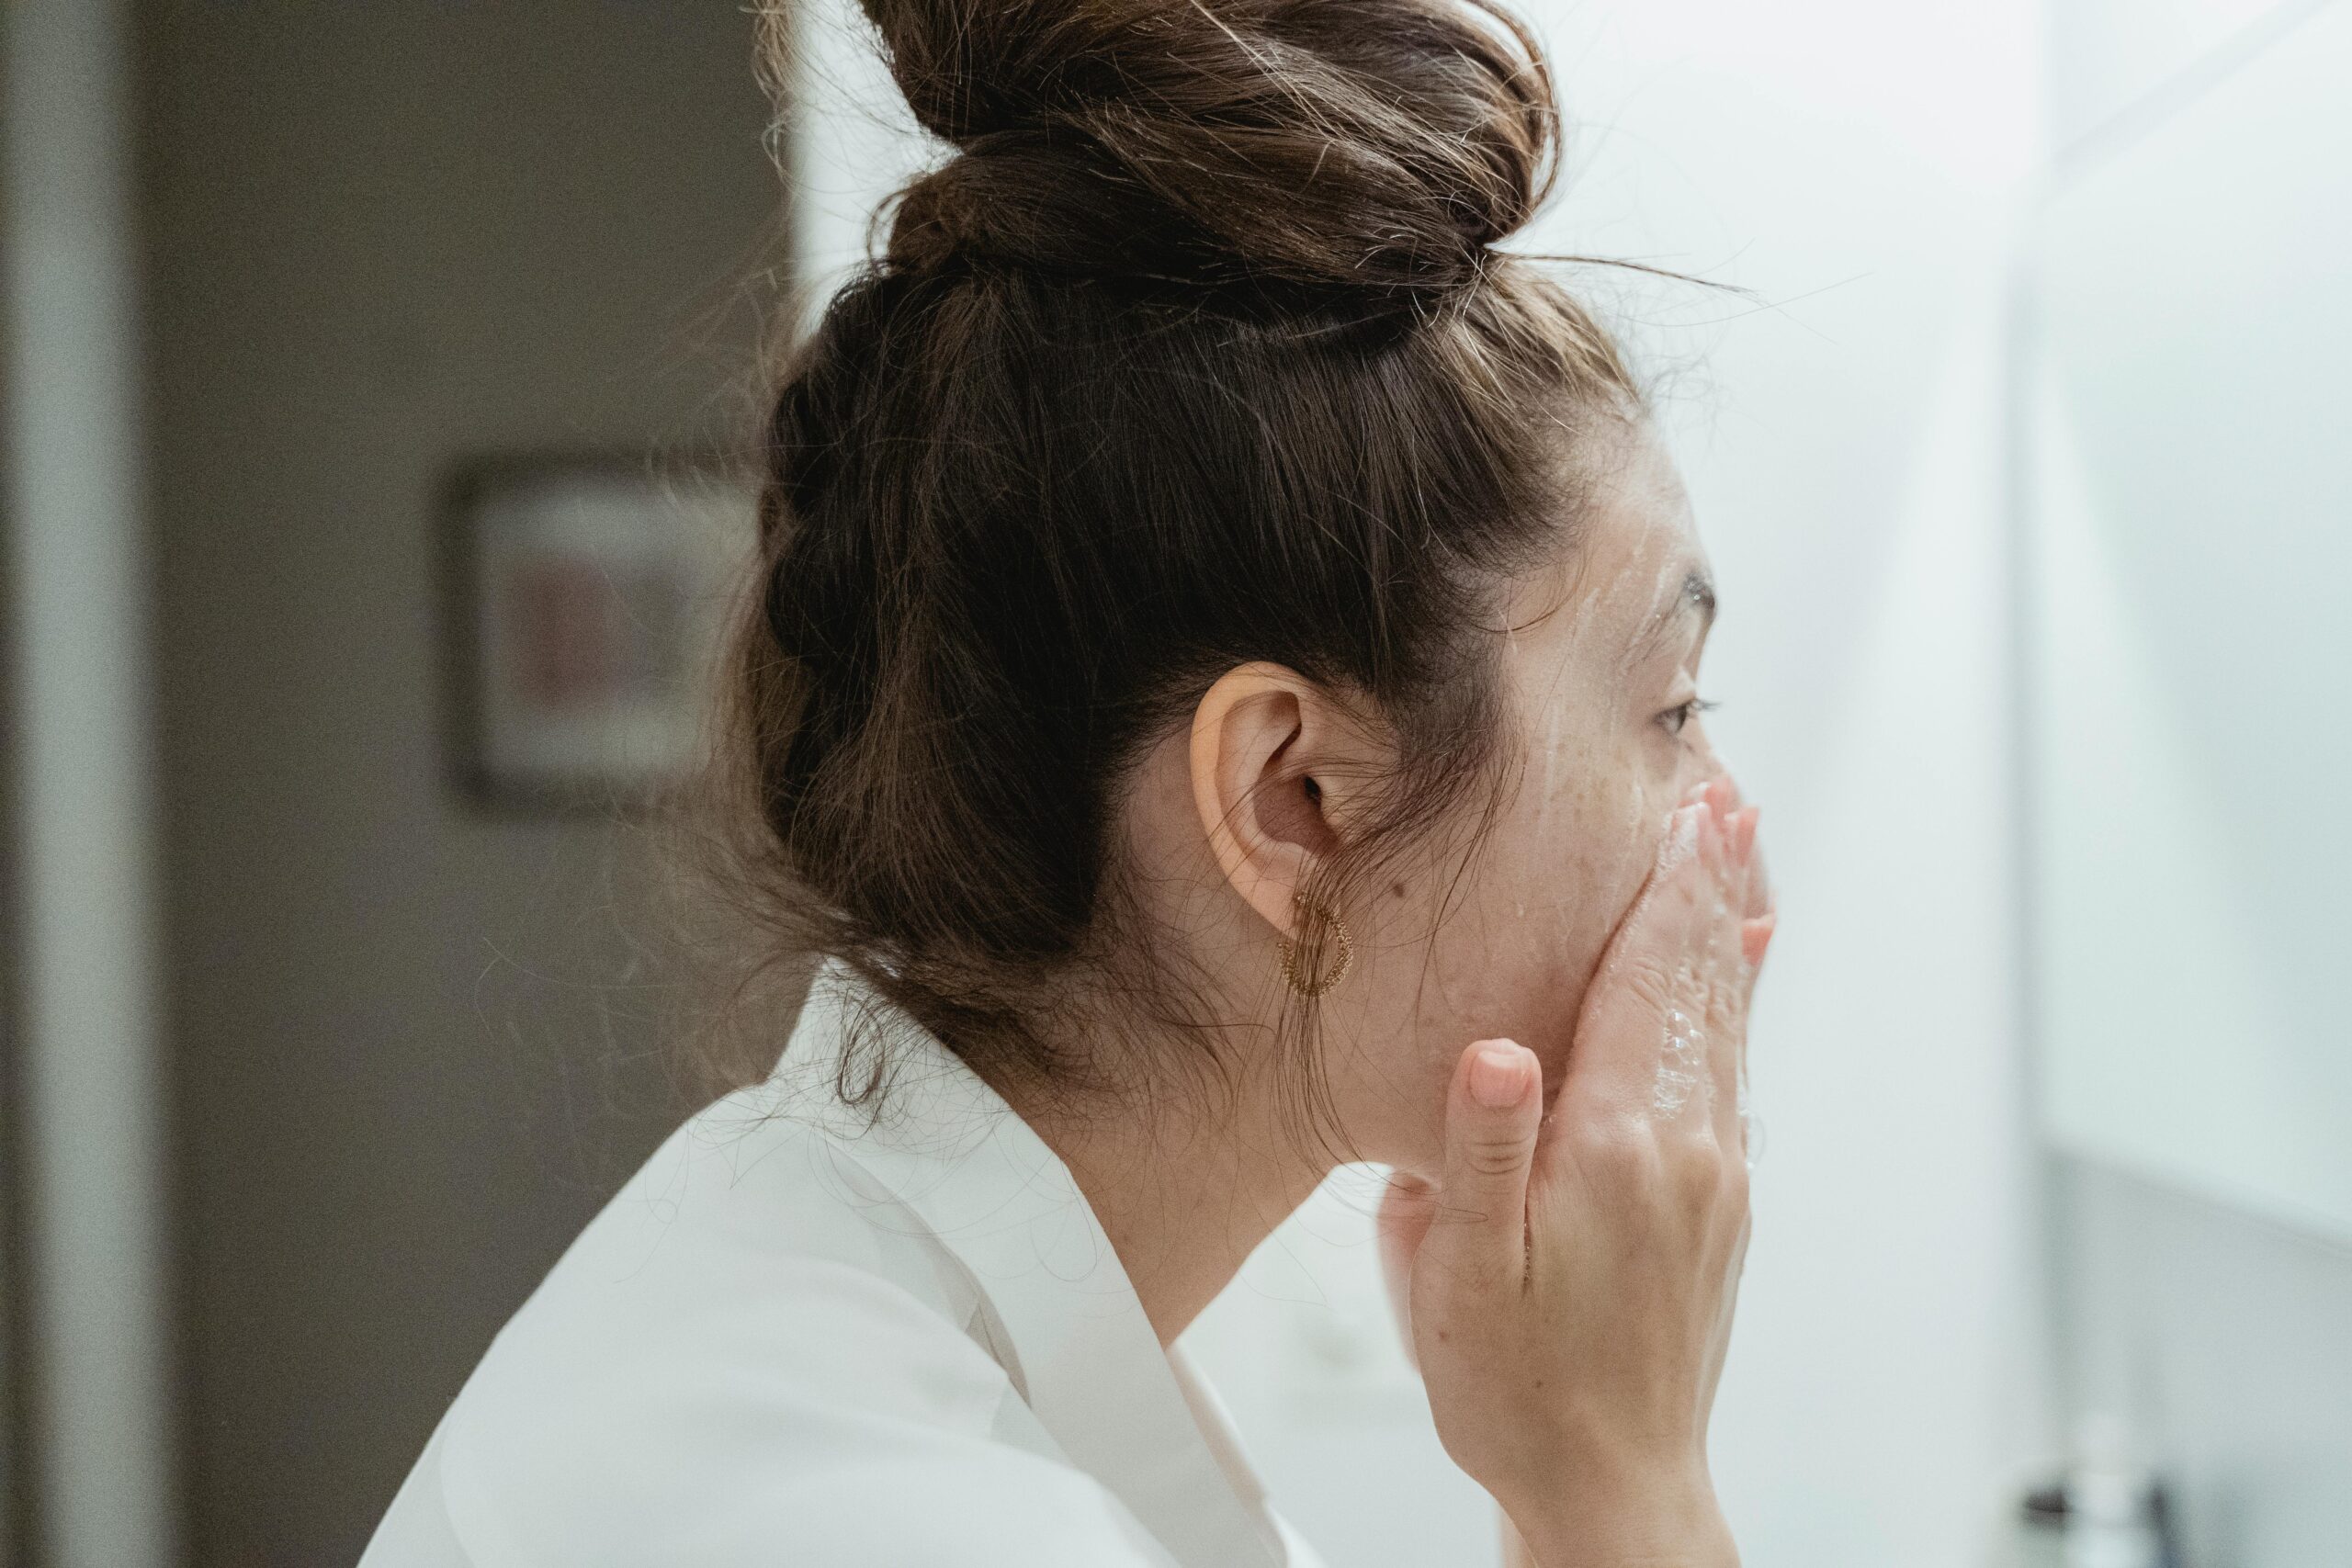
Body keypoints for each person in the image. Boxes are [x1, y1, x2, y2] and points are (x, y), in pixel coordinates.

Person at [359, 0, 1777, 1563]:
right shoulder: (878, 1515)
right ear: (1292, 799)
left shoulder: (861, 1310)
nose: (1720, 817)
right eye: (1672, 704)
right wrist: (1619, 1481)